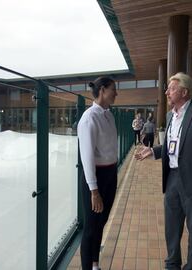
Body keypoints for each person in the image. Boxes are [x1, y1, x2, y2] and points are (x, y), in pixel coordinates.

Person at [135, 72, 192, 270]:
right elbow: (172, 145)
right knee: (171, 227)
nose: (166, 92)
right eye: (167, 88)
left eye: (171, 89)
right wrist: (154, 151)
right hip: (172, 178)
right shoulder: (169, 115)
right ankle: (172, 264)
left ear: (184, 91)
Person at [77, 76, 118, 270]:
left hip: (110, 173)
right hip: (95, 178)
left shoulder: (108, 114)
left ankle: (95, 263)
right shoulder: (89, 118)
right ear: (102, 90)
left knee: (101, 222)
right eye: (113, 89)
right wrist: (94, 191)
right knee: (91, 228)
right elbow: (87, 157)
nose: (116, 93)